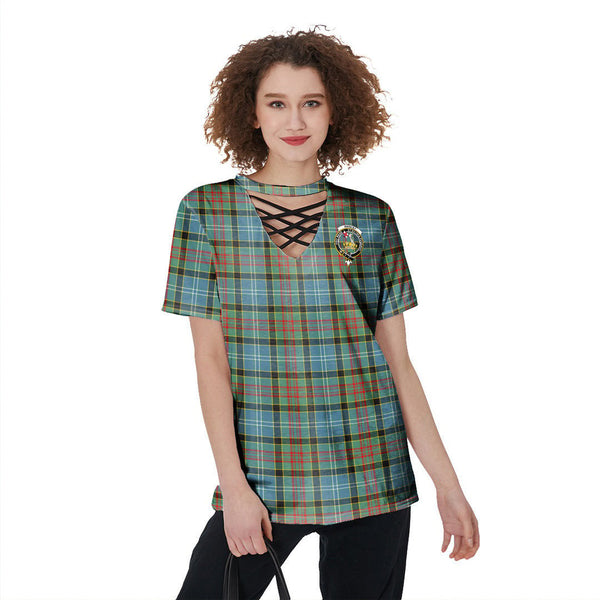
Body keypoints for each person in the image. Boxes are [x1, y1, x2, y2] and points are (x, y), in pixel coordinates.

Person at [162, 25, 480, 600]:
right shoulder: (205, 211)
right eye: (276, 103)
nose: (295, 120)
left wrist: (448, 485)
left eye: (312, 103)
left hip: (373, 475)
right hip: (264, 480)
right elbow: (210, 361)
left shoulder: (373, 218)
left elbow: (399, 365)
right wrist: (234, 488)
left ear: (336, 111)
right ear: (251, 113)